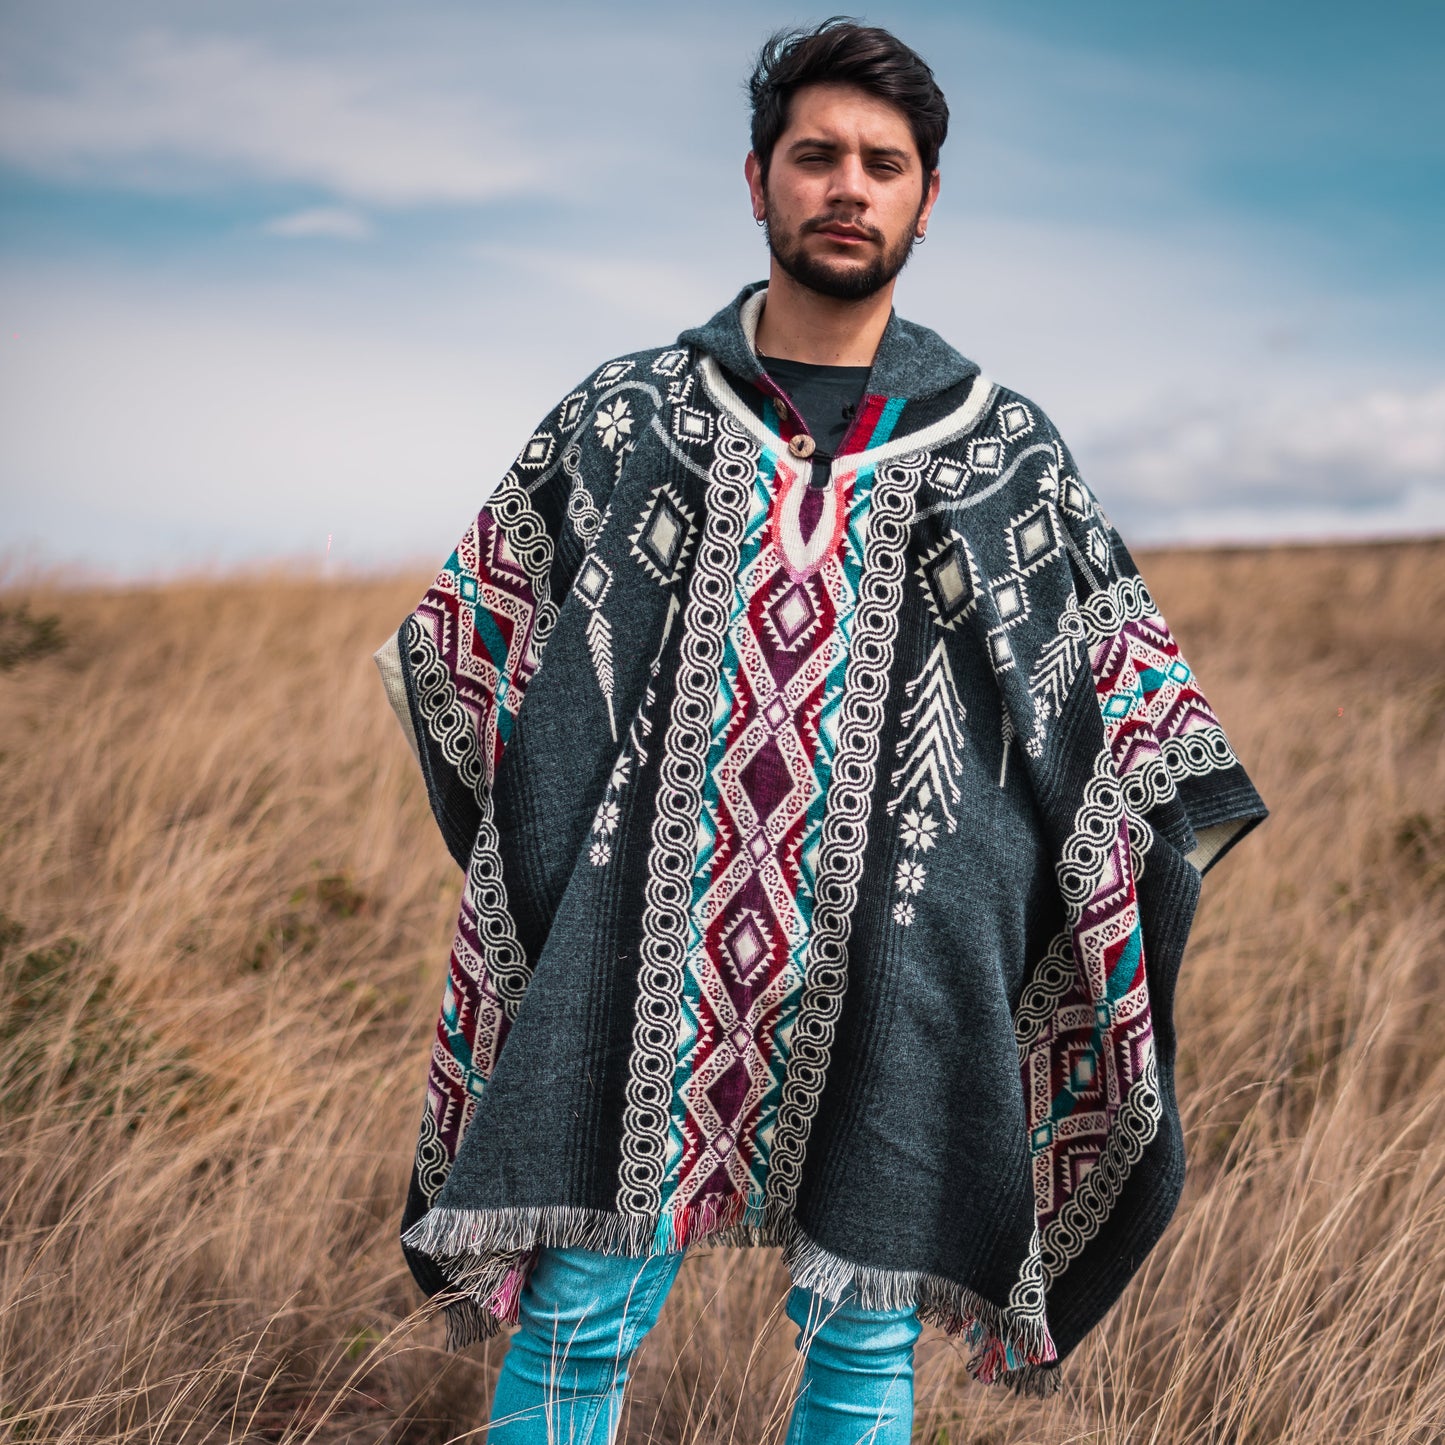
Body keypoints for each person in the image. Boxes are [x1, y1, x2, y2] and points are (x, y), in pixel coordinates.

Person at [373, 19, 1267, 1443]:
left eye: (881, 163)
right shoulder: (625, 417)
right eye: (816, 156)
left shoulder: (1005, 447)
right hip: (635, 959)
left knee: (862, 1358)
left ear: (924, 198)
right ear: (756, 180)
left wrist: (995, 892)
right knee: (576, 1322)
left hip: (907, 973)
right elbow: (465, 662)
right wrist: (570, 870)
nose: (846, 185)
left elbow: (1134, 731)